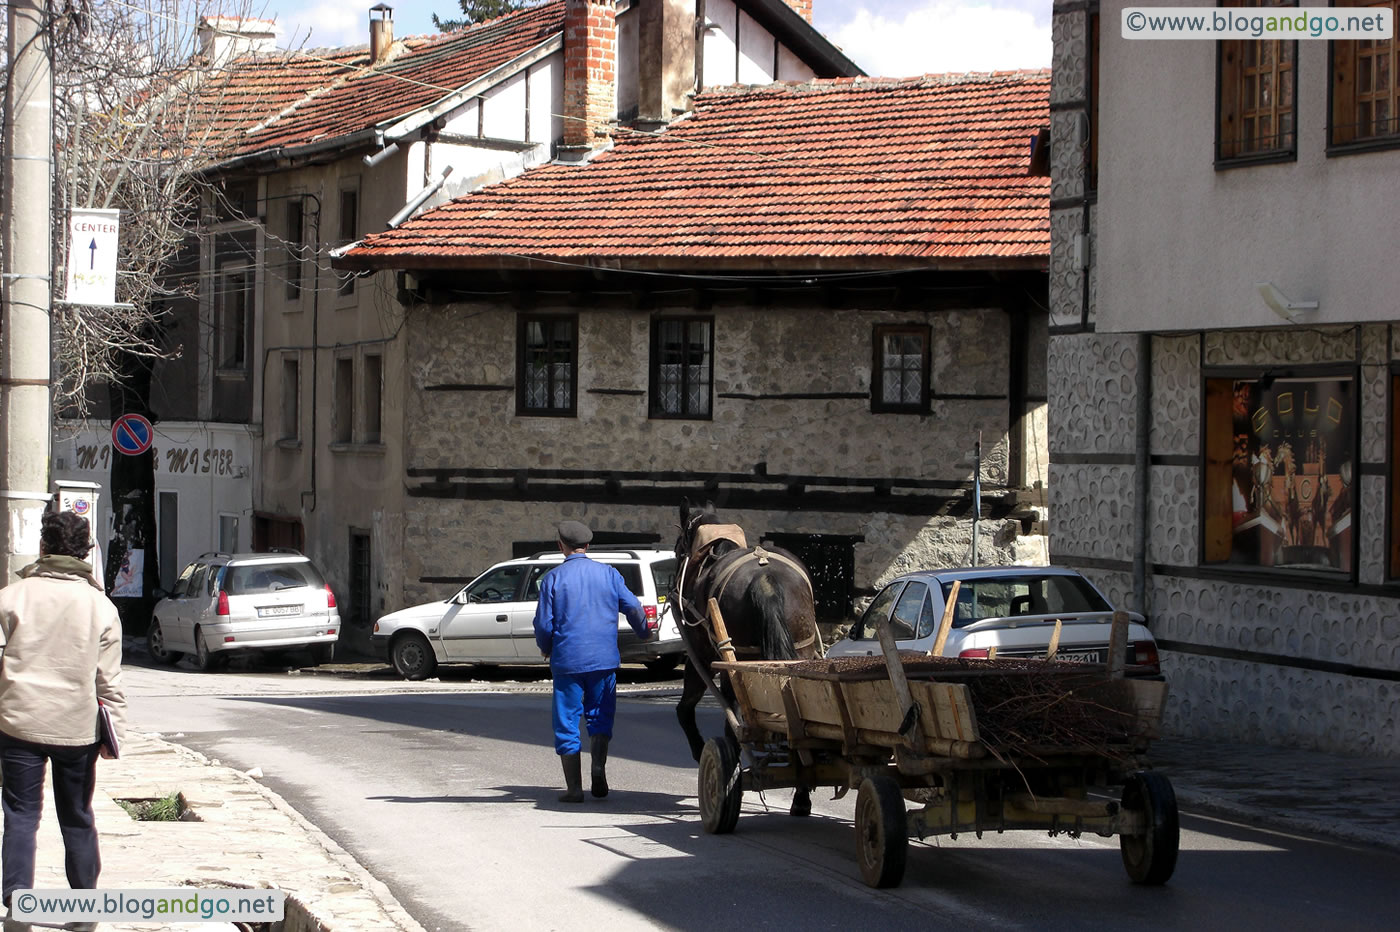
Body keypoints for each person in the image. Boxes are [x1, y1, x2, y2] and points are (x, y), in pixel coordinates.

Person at [0, 510, 126, 930]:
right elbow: (109, 681)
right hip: (77, 728)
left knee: (20, 815)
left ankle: (18, 903)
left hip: (18, 723)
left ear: (43, 547)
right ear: (86, 552)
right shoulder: (101, 607)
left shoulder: (11, 597)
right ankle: (85, 911)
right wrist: (114, 736)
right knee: (77, 817)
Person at [533, 520, 649, 803]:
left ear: (561, 546)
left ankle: (574, 789)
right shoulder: (609, 574)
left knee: (567, 722)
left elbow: (544, 624)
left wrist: (546, 647)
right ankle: (598, 769)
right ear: (587, 545)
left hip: (567, 661)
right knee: (599, 717)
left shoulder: (552, 579)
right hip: (603, 660)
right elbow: (633, 607)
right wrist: (644, 632)